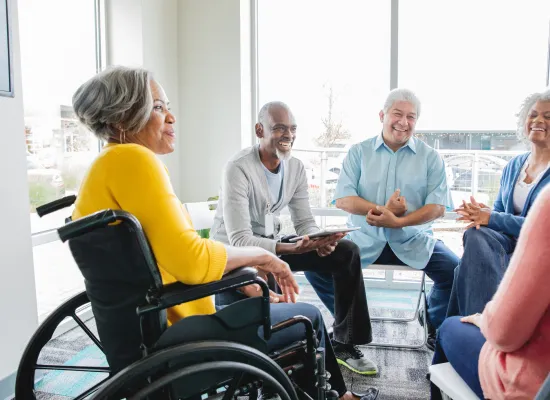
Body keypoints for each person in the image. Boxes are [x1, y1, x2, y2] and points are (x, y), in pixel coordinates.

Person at [70, 67, 378, 400]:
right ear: (122, 120)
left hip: (144, 326)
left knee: (298, 292)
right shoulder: (133, 159)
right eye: (158, 107)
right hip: (174, 334)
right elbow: (190, 260)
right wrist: (261, 257)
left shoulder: (108, 165)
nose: (171, 117)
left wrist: (246, 268)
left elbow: (166, 258)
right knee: (307, 316)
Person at [210, 101, 378, 376]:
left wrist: (319, 240)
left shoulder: (296, 168)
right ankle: (286, 361)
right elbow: (240, 240)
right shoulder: (237, 168)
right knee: (271, 274)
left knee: (346, 251)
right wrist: (288, 247)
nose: (288, 135)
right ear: (259, 129)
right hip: (238, 254)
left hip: (274, 244)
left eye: (292, 129)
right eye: (279, 128)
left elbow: (304, 221)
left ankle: (345, 343)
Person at [328, 88, 459, 350]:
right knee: (318, 264)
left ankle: (433, 321)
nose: (403, 122)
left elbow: (437, 207)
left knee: (455, 270)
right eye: (397, 114)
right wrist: (382, 211)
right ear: (382, 115)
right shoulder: (358, 152)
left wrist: (398, 222)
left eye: (411, 117)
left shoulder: (431, 158)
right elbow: (343, 199)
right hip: (363, 240)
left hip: (413, 240)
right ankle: (348, 324)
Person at [431, 184, 550, 400]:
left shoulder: (547, 204)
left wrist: (483, 319)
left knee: (450, 327)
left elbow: (503, 335)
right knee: (467, 258)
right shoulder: (517, 167)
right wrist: (487, 216)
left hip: (527, 387)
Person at [447, 89, 550, 318]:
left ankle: (468, 331)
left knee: (464, 268)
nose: (538, 121)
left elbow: (543, 227)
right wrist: (480, 215)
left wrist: (491, 218)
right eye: (532, 115)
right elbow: (501, 213)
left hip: (539, 251)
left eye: (548, 116)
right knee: (475, 235)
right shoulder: (514, 165)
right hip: (506, 247)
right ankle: (478, 326)